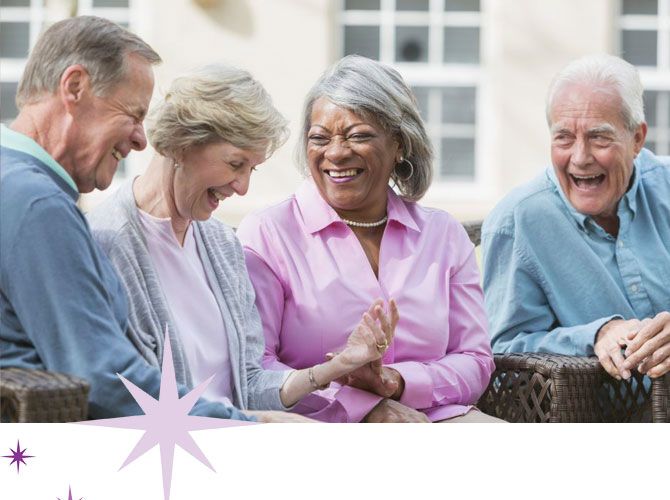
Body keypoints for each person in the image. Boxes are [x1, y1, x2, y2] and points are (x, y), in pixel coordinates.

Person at [87, 65, 399, 423]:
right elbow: (134, 400)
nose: (242, 187)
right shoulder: (105, 243)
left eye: (252, 169)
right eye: (236, 164)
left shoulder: (221, 243)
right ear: (180, 143)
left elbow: (250, 385)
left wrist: (337, 366)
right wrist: (257, 425)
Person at [0, 16, 246, 421]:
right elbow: (104, 378)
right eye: (133, 114)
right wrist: (248, 426)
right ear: (74, 87)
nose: (140, 138)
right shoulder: (38, 205)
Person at [237, 55, 497, 423]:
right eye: (319, 138)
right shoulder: (268, 234)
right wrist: (363, 408)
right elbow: (255, 370)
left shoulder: (443, 235)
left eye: (358, 135)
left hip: (437, 418)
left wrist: (397, 383)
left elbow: (475, 360)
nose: (337, 153)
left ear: (400, 144)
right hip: (316, 426)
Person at [482, 54, 670, 382]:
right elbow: (502, 356)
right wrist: (594, 335)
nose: (580, 158)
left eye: (599, 137)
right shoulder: (517, 222)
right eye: (564, 137)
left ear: (637, 138)